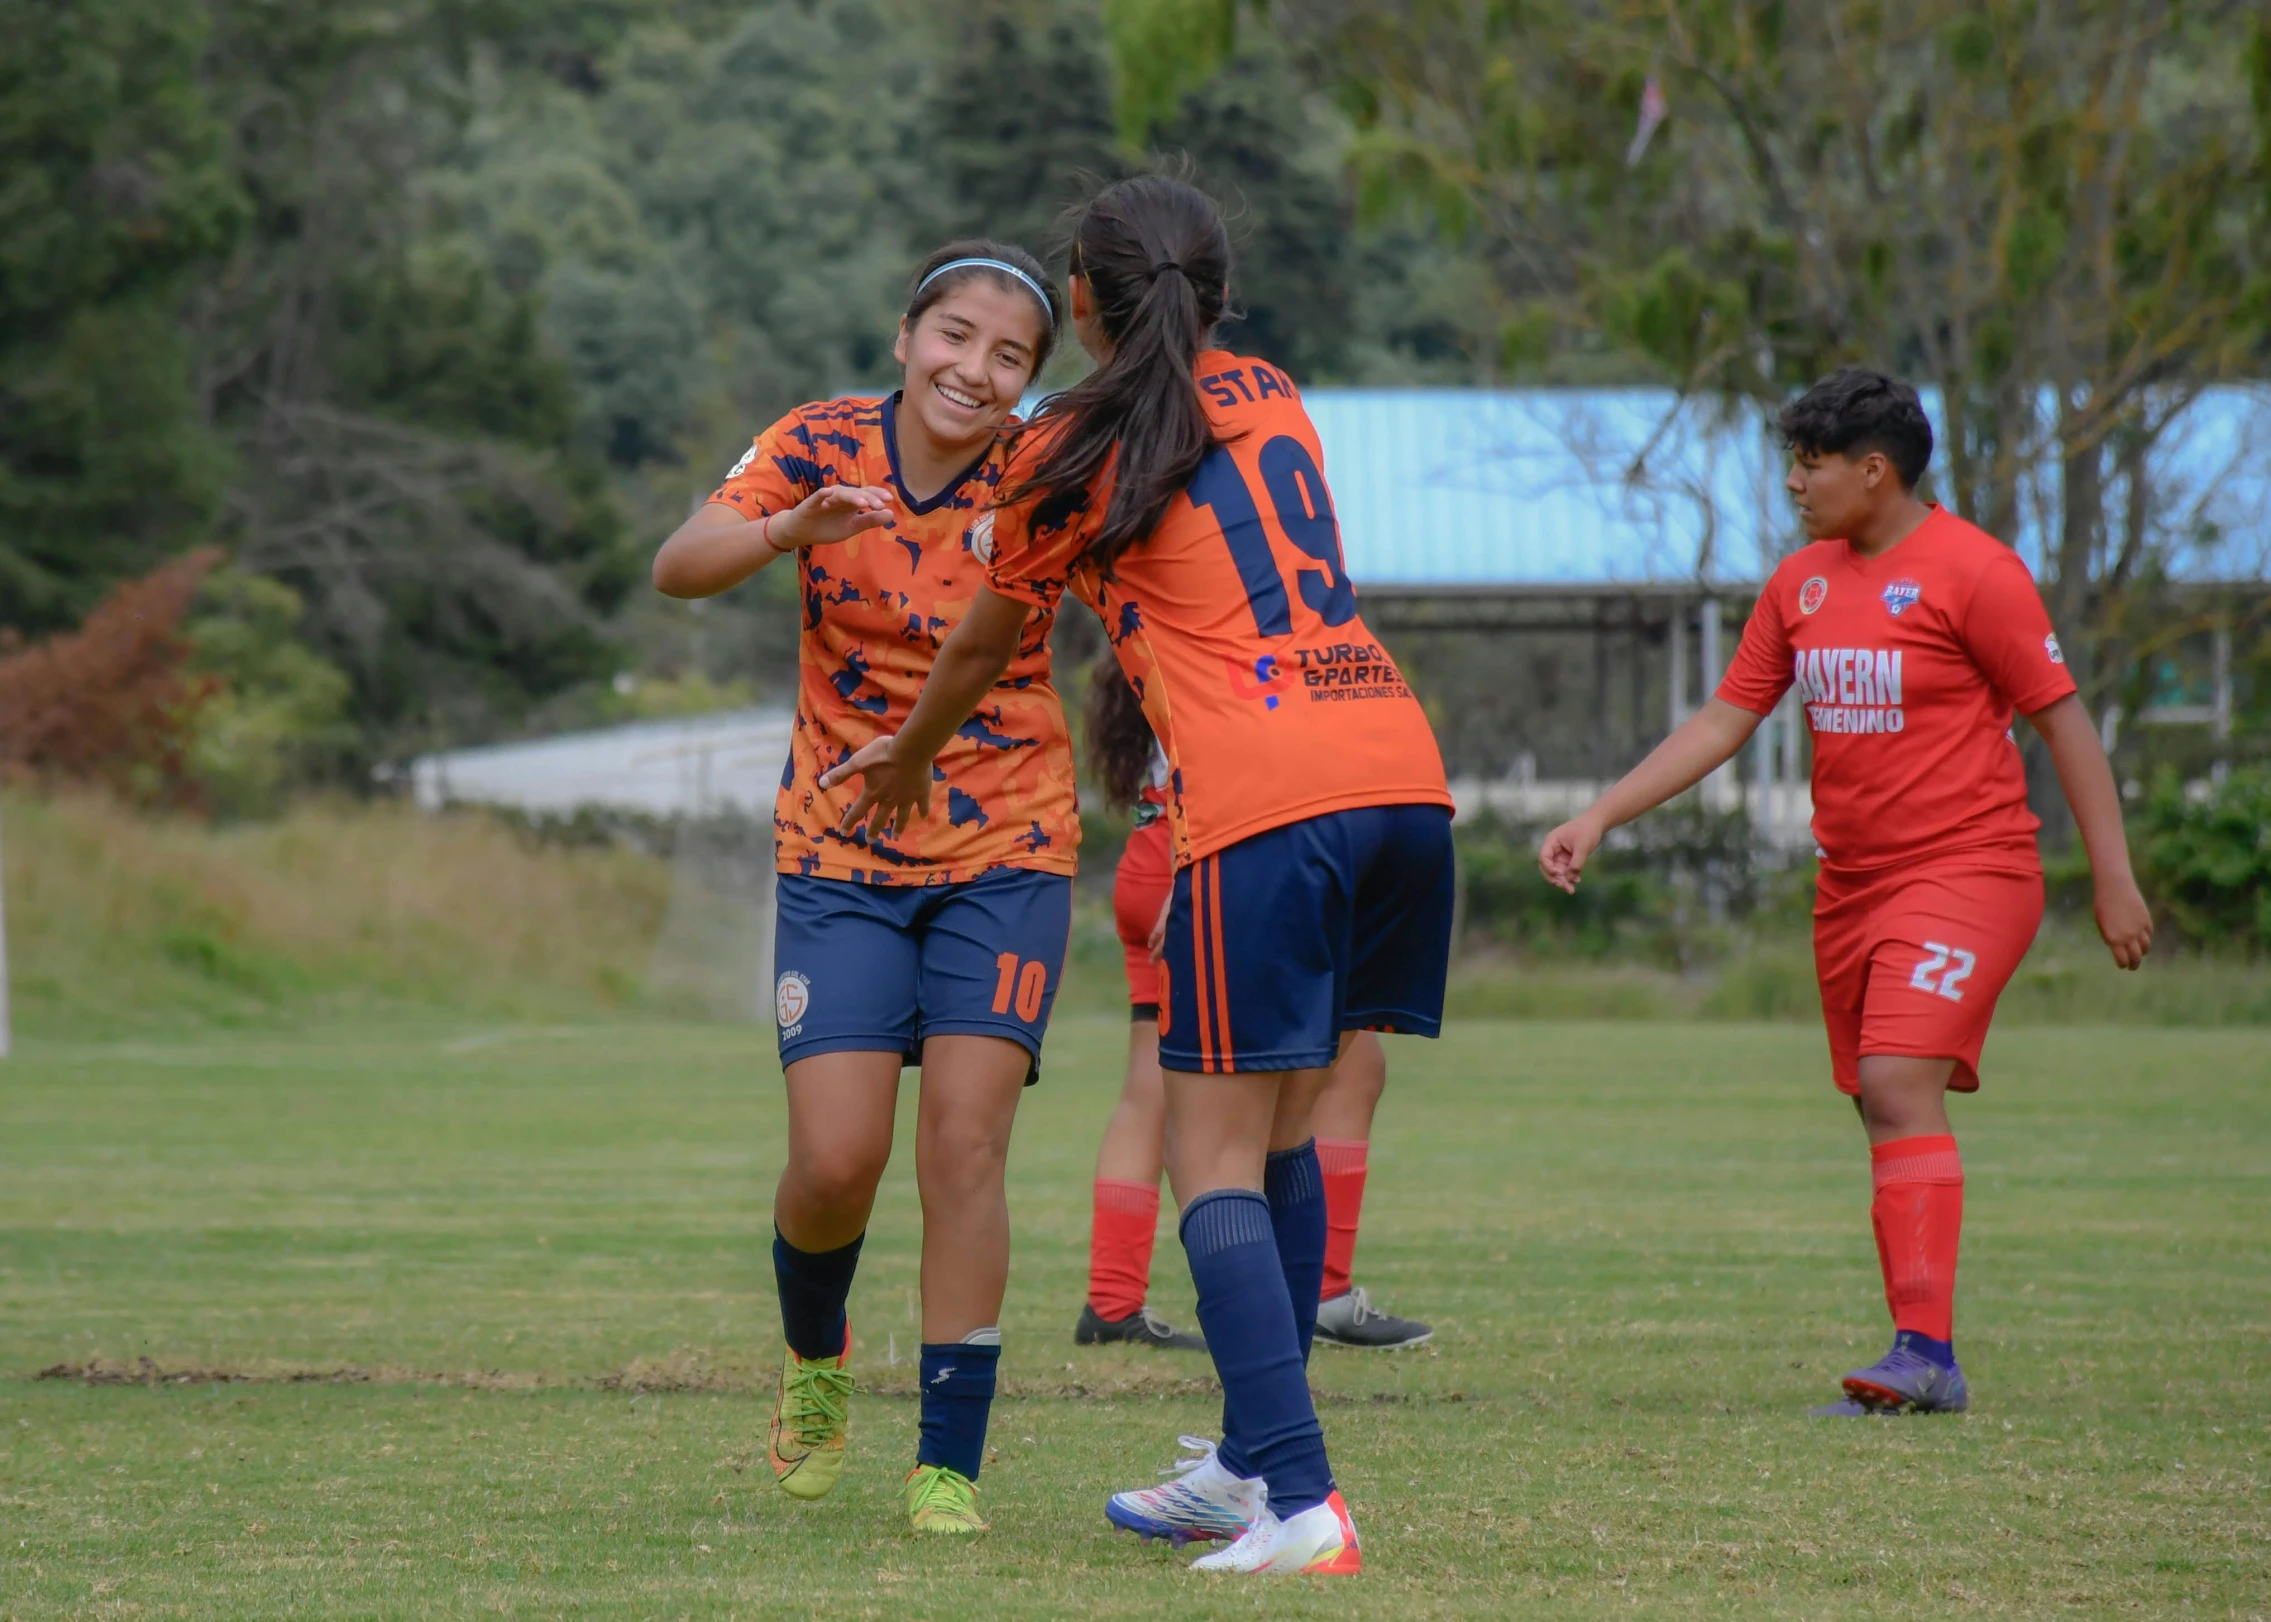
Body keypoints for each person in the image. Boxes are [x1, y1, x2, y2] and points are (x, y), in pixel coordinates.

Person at [824, 174, 1455, 1576]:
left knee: (1209, 1158)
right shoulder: (1271, 388)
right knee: (1280, 1138)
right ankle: (1245, 1461)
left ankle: (1298, 1501)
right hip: (1400, 774)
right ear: (1218, 296)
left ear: (1086, 304)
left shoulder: (1070, 445)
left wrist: (906, 753)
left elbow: (989, 639)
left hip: (1266, 802)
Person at [1539, 367, 2153, 1417]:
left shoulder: (1977, 571)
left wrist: (2115, 877)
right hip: (1853, 887)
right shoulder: (1802, 583)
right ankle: (1921, 1353)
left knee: (1896, 1079)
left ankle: (1925, 1354)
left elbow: (2063, 722)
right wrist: (1601, 813)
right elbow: (1726, 720)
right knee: (1881, 1101)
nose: (1792, 481)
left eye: (1810, 463)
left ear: (1875, 471)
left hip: (1970, 869)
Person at [650, 240, 1074, 1536]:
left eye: (1009, 357)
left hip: (1006, 842)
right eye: (953, 335)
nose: (974, 368)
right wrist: (788, 525)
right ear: (904, 337)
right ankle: (816, 1358)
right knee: (834, 1161)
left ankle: (947, 1461)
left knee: (964, 1145)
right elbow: (679, 563)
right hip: (838, 853)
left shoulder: (1044, 472)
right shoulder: (818, 441)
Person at [1077, 665, 1432, 1353]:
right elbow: (1233, 764)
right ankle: (1312, 1292)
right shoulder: (1240, 638)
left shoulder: (1161, 637)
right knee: (1319, 1069)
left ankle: (1113, 1301)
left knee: (1151, 1091)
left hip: (1151, 858)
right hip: (1206, 861)